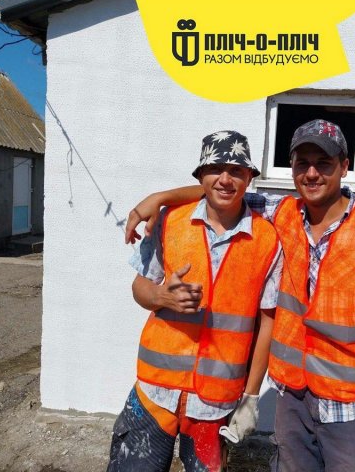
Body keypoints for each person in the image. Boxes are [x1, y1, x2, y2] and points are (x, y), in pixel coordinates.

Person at [125, 119, 355, 472]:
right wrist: (160, 198)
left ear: (345, 167)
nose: (312, 174)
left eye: (324, 163)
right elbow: (223, 191)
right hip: (294, 402)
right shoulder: (283, 213)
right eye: (303, 163)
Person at [108, 131, 282, 472]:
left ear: (249, 178)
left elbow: (268, 322)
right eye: (215, 168)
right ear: (200, 176)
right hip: (154, 390)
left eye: (236, 170)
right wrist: (160, 296)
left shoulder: (267, 238)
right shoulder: (171, 220)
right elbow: (140, 285)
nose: (225, 179)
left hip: (216, 402)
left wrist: (251, 396)